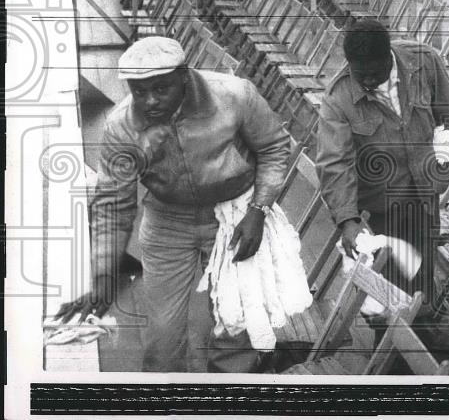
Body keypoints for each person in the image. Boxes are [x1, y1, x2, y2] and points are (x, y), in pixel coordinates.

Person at [54, 36, 292, 373]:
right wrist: (103, 277)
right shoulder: (122, 126)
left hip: (234, 215)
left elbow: (274, 149)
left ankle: (230, 393)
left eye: (161, 89)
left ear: (183, 76)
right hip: (167, 220)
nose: (149, 101)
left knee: (236, 318)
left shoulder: (236, 94)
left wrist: (258, 210)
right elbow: (111, 206)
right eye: (139, 91)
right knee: (163, 334)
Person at [315, 18, 449, 309]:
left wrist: (443, 165)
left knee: (422, 274)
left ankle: (422, 336)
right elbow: (336, 163)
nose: (369, 81)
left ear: (390, 55)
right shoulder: (337, 99)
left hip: (424, 195)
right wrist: (347, 220)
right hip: (380, 207)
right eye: (361, 75)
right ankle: (388, 344)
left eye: (376, 73)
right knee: (386, 290)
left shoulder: (425, 62)